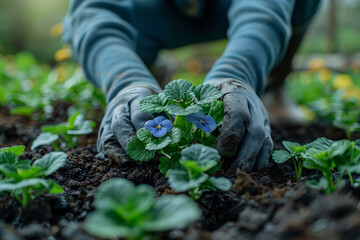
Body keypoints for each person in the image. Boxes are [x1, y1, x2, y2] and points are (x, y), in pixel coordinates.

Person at [63, 0, 320, 172]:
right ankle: (146, 70)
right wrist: (126, 79)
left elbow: (265, 10)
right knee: (87, 25)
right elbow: (95, 11)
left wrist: (238, 73)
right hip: (155, 10)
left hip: (227, 6)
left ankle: (272, 82)